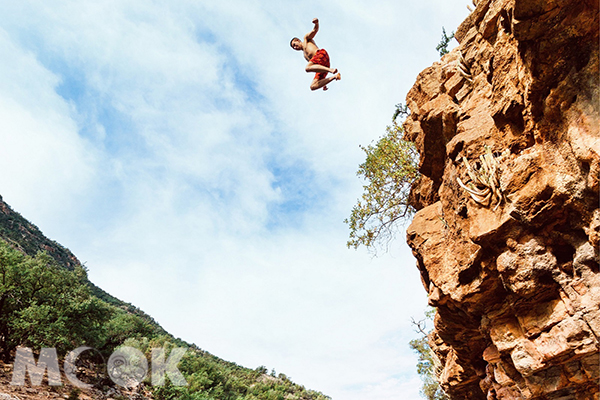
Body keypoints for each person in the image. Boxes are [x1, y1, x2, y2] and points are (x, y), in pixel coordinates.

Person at [290, 18, 341, 91]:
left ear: (297, 40)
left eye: (294, 44)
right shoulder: (305, 55)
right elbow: (316, 66)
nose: (295, 47)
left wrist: (316, 24)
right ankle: (334, 77)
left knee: (307, 68)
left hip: (321, 54)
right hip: (323, 64)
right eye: (293, 47)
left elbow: (314, 31)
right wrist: (323, 82)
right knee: (312, 86)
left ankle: (331, 70)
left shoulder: (306, 39)